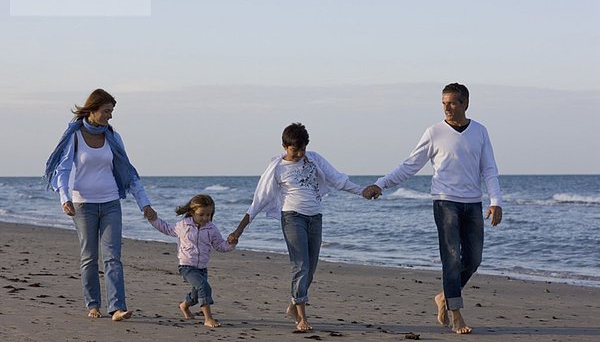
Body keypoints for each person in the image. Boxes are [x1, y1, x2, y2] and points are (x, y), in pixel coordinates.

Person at [362, 83, 503, 335]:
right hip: (444, 200)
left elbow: (489, 169)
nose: (447, 108)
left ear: (465, 104)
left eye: (452, 103)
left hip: (473, 203)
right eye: (443, 103)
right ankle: (456, 314)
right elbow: (410, 165)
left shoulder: (480, 132)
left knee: (473, 259)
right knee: (451, 258)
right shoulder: (434, 132)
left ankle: (444, 297)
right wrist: (381, 183)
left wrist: (496, 201)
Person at [227, 122, 363, 332]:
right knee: (300, 265)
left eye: (302, 149)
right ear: (284, 146)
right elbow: (259, 201)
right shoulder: (277, 169)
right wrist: (238, 231)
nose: (299, 154)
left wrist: (362, 191)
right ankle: (302, 318)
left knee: (311, 270)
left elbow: (338, 180)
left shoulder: (314, 159)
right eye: (294, 149)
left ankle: (293, 305)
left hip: (315, 218)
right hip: (292, 218)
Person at [44, 88, 155, 321]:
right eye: (106, 111)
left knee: (113, 256)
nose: (110, 116)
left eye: (112, 111)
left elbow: (128, 171)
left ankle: (116, 308)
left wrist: (144, 203)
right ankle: (93, 304)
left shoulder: (113, 137)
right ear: (92, 110)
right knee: (89, 257)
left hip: (111, 202)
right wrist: (64, 199)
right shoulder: (74, 136)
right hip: (83, 204)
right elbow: (62, 171)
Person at [144, 194, 236, 327]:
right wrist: (153, 219)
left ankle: (184, 305)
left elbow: (220, 246)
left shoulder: (212, 229)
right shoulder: (183, 225)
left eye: (209, 215)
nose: (205, 218)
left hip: (202, 268)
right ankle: (208, 318)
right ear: (192, 212)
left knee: (195, 295)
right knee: (204, 287)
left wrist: (231, 243)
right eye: (201, 214)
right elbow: (165, 228)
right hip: (187, 267)